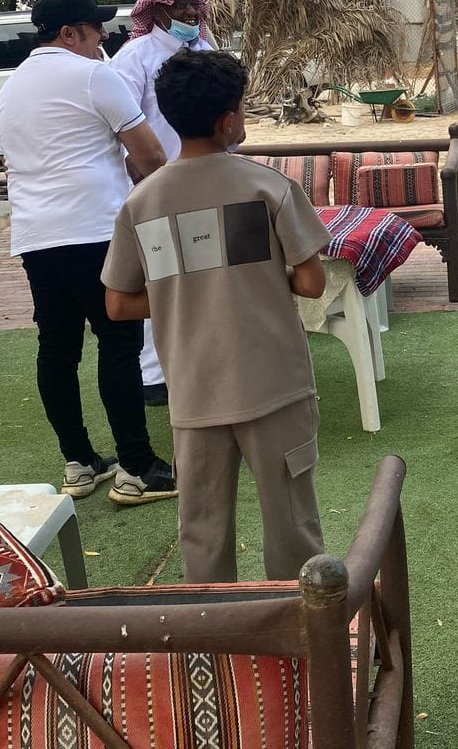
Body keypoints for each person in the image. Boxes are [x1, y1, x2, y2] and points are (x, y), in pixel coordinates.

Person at [103, 51, 331, 583]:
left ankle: (212, 628)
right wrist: (252, 282)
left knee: (202, 533)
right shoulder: (268, 187)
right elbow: (312, 282)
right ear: (228, 121)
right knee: (293, 524)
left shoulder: (141, 203)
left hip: (193, 393)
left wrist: (187, 292)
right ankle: (300, 624)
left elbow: (118, 304)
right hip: (275, 385)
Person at [0, 0, 178, 506]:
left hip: (36, 236)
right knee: (118, 342)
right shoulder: (96, 76)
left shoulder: (7, 91)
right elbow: (151, 157)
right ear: (69, 33)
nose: (102, 40)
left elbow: (18, 163)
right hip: (96, 230)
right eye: (96, 31)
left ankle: (79, 462)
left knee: (57, 347)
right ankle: (137, 467)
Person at [110, 0, 215, 408]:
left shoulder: (206, 51)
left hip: (208, 182)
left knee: (206, 275)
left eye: (193, 5)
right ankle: (153, 375)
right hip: (157, 186)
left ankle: (204, 364)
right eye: (180, 5)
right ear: (157, 10)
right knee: (160, 277)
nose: (189, 12)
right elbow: (119, 125)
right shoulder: (135, 56)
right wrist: (141, 176)